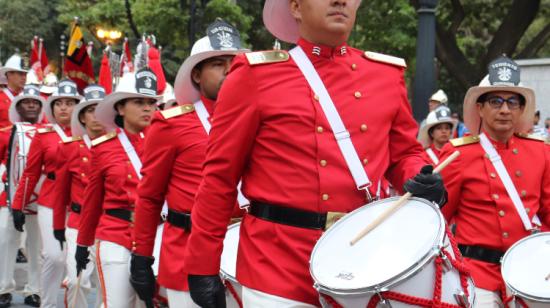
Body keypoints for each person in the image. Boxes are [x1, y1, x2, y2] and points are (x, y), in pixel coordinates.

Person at [183, 1, 445, 306]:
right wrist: (202, 265)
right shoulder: (254, 75)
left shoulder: (385, 74)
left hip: (361, 261)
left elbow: (403, 155)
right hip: (276, 265)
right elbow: (219, 178)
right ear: (295, 7)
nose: (339, 1)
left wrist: (420, 175)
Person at [130, 20, 248, 307]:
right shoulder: (172, 124)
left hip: (247, 253)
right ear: (197, 75)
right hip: (186, 251)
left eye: (234, 62)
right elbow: (149, 196)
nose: (229, 70)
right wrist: (142, 256)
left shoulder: (255, 119)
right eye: (218, 64)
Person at [439, 56, 550, 307]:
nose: (504, 109)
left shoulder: (540, 152)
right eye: (495, 101)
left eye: (512, 102)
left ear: (522, 110)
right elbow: (441, 219)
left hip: (528, 272)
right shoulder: (458, 154)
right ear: (480, 108)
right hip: (476, 275)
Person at [75, 68, 158, 308]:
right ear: (120, 108)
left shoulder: (165, 141)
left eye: (151, 102)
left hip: (155, 235)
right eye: (138, 102)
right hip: (115, 233)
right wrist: (83, 244)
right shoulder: (103, 148)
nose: (147, 108)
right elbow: (92, 200)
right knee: (119, 304)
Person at [11, 79, 81, 308]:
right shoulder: (43, 135)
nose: (63, 107)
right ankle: (48, 303)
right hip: (51, 201)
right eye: (59, 103)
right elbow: (30, 173)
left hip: (80, 201)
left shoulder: (88, 133)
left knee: (77, 263)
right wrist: (18, 206)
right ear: (51, 108)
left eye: (70, 103)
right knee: (53, 255)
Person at [51, 85, 106, 308]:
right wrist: (58, 227)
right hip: (77, 221)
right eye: (91, 110)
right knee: (77, 281)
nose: (96, 115)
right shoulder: (70, 148)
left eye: (101, 109)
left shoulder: (119, 146)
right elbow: (60, 191)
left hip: (108, 223)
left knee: (108, 286)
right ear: (82, 116)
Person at [0, 84, 44, 308]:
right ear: (18, 106)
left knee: (37, 246)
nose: (31, 105)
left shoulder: (48, 134)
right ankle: (3, 288)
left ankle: (34, 290)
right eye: (26, 102)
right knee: (6, 241)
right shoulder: (7, 133)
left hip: (39, 198)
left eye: (35, 102)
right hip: (8, 195)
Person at [0, 54, 28, 129]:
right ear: (9, 74)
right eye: (20, 74)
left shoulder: (30, 98)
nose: (24, 78)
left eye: (25, 74)